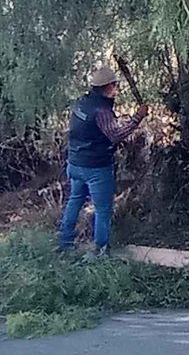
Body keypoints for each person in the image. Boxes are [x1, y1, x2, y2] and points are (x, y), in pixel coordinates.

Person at [57, 63, 148, 258]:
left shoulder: (82, 103)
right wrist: (137, 118)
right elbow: (115, 135)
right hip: (95, 166)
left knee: (75, 200)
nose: (117, 89)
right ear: (107, 87)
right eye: (115, 85)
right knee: (103, 208)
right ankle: (100, 249)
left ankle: (64, 241)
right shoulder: (102, 111)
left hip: (75, 163)